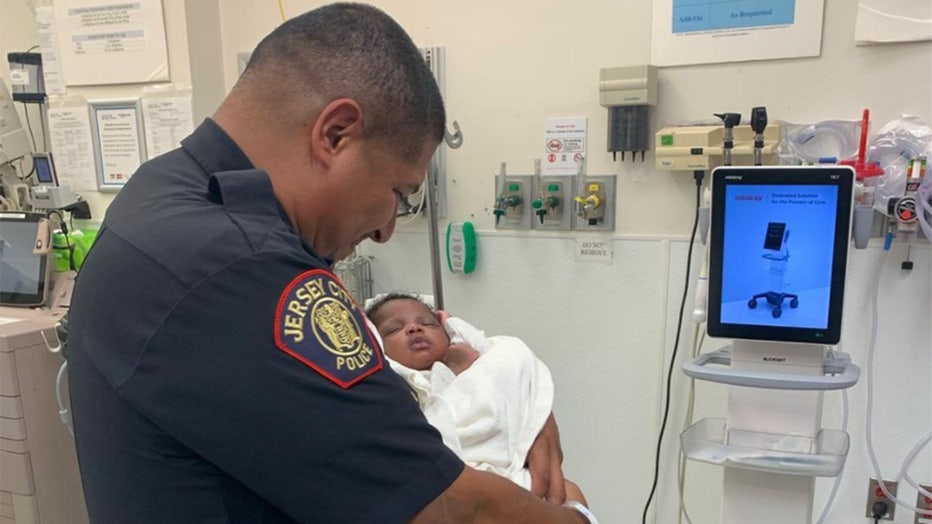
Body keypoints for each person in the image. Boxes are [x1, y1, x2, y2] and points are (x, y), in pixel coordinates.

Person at [66, 3, 594, 523]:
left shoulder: (159, 194)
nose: (387, 229)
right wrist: (576, 514)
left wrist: (523, 406)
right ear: (335, 133)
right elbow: (448, 511)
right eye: (398, 191)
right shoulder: (244, 274)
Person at [366, 293, 590, 508]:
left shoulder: (480, 366)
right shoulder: (394, 383)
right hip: (452, 484)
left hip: (510, 472)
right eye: (394, 329)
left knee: (570, 493)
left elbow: (511, 370)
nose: (414, 328)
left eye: (429, 323)